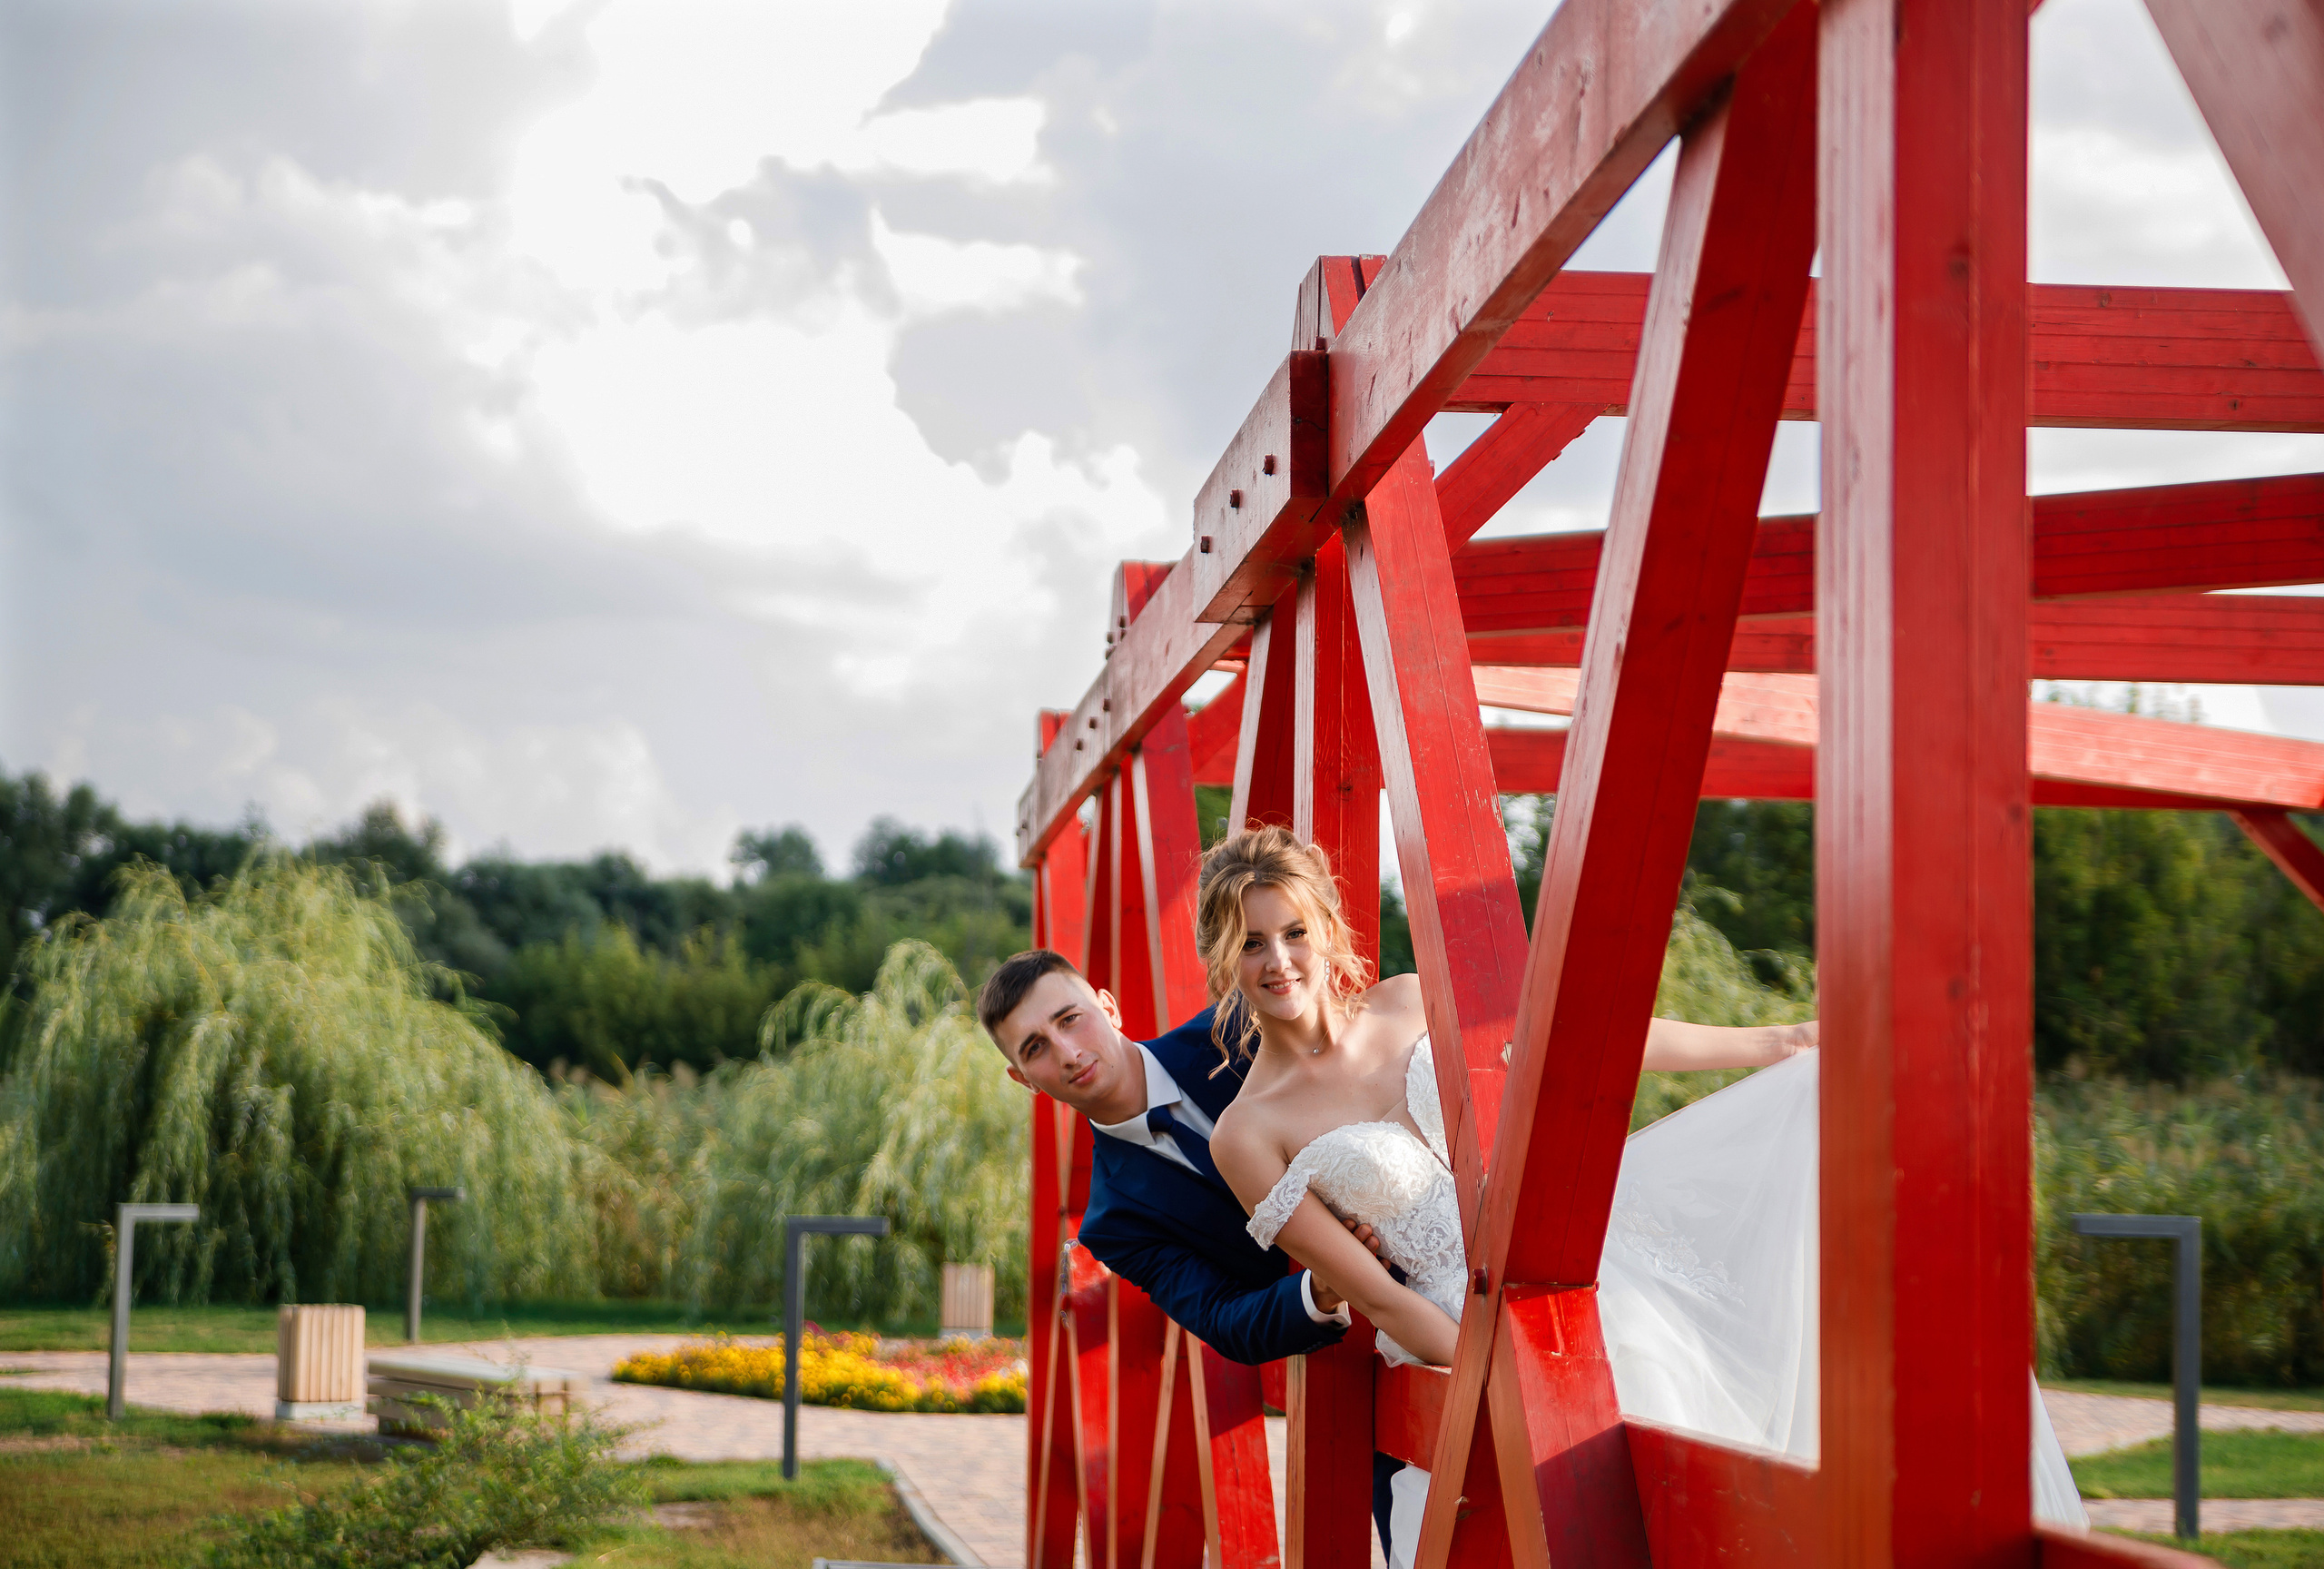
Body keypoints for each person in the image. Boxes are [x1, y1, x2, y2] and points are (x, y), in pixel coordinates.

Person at [1196, 826, 2086, 1566]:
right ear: (1222, 958)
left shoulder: (1408, 1000)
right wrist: (1497, 1388)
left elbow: (1573, 1047)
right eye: (1251, 942)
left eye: (1293, 931)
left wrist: (1776, 1040)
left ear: (1325, 927)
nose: (1279, 961)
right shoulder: (1247, 1133)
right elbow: (1380, 1296)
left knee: (1693, 1465)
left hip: (1590, 1282)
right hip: (1456, 1336)